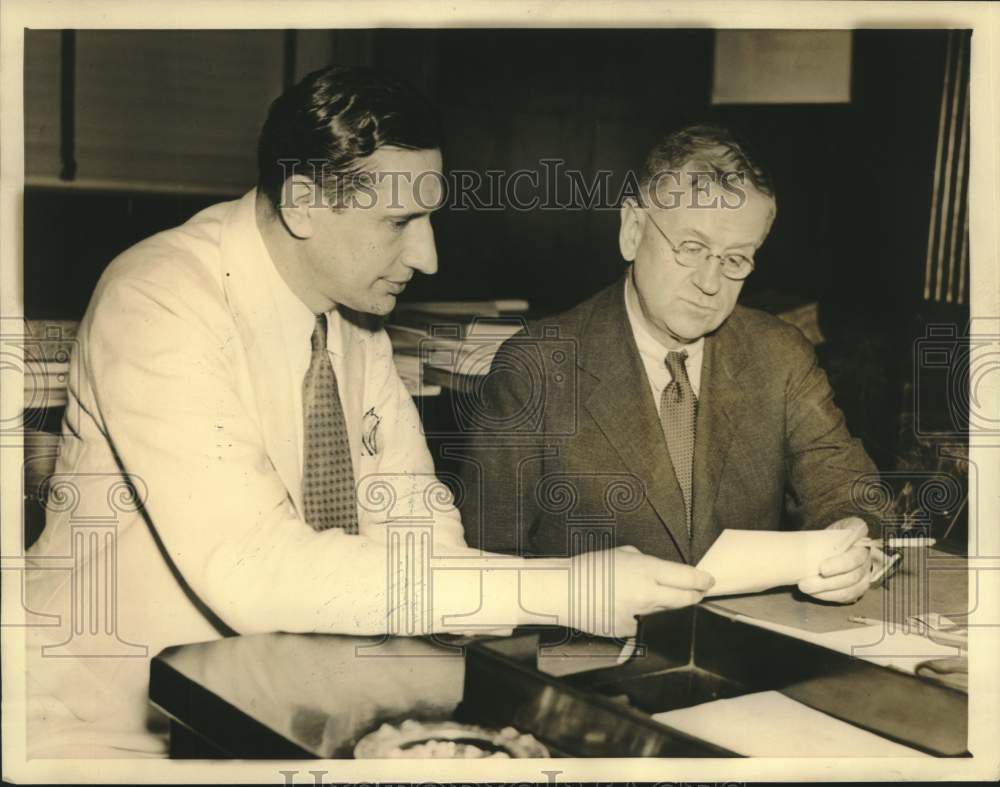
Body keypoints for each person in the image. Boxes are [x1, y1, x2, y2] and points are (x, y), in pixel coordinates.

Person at [23, 67, 712, 758]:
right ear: (302, 203)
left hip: (282, 707)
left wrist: (547, 616)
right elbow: (255, 570)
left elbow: (415, 524)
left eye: (429, 218)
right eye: (399, 221)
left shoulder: (355, 321)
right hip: (111, 729)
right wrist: (566, 587)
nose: (429, 256)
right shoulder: (159, 299)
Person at [458, 124, 881, 607]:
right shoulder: (536, 367)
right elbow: (485, 565)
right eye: (693, 248)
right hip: (588, 653)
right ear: (633, 231)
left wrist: (854, 543)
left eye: (736, 259)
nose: (710, 282)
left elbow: (852, 494)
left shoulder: (778, 354)